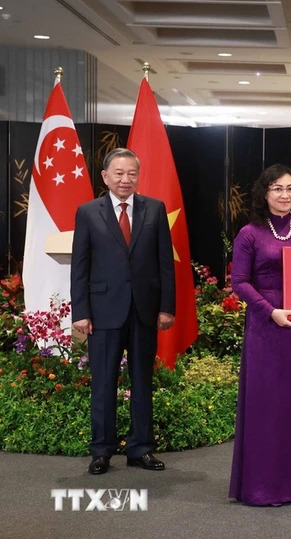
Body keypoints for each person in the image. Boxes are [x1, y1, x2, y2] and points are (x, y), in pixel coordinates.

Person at [228, 164, 291, 506]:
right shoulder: (249, 233)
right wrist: (269, 310)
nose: (285, 195)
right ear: (264, 193)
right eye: (277, 189)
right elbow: (239, 282)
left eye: (290, 188)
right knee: (268, 406)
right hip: (267, 328)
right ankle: (263, 487)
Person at [71, 147, 175, 475]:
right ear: (105, 177)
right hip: (103, 311)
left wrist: (166, 307)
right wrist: (81, 312)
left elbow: (164, 265)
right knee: (103, 382)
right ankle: (102, 450)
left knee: (142, 381)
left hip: (145, 310)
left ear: (138, 176)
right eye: (118, 173)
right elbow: (80, 266)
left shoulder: (155, 210)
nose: (125, 179)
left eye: (131, 173)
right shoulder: (88, 213)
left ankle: (140, 448)